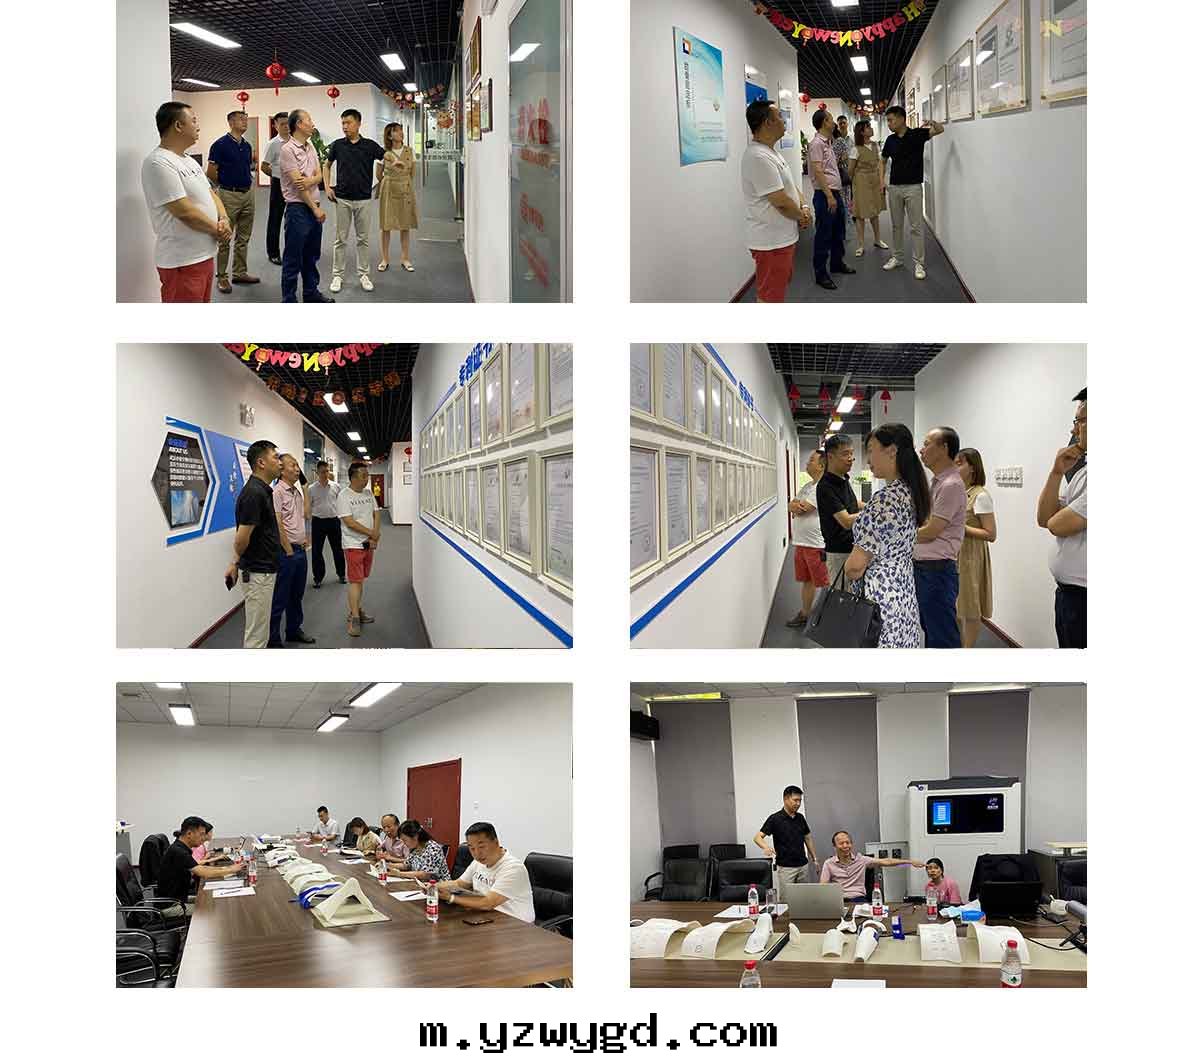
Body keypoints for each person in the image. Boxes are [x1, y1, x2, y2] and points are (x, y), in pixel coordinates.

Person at [844, 423, 929, 648]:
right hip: (903, 592)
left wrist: (848, 568)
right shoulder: (910, 493)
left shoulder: (884, 500)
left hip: (878, 600)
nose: (868, 459)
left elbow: (855, 567)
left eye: (871, 450)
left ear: (892, 451)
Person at [141, 101, 231, 302]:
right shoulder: (158, 162)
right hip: (182, 261)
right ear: (178, 126)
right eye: (194, 121)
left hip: (204, 254)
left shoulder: (189, 160)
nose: (198, 126)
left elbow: (211, 193)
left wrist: (224, 218)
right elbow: (184, 211)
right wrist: (219, 230)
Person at [740, 100, 811, 303]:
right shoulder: (758, 157)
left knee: (776, 290)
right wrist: (802, 216)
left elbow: (791, 186)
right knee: (770, 296)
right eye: (779, 116)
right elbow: (780, 201)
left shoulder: (771, 152)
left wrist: (804, 206)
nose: (784, 120)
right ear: (767, 123)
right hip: (771, 242)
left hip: (781, 238)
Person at [1038, 388, 1087, 648]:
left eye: (1080, 421)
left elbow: (1057, 525)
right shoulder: (1083, 472)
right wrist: (1056, 472)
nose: (1073, 430)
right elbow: (1044, 517)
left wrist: (1054, 520)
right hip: (1070, 596)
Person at [913, 426, 968, 648]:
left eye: (926, 444)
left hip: (937, 571)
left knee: (941, 635)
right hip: (928, 569)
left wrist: (900, 535)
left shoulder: (951, 485)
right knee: (932, 629)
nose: (921, 450)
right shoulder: (937, 482)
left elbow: (931, 531)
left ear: (944, 448)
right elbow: (924, 523)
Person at [225, 440, 282, 649]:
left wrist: (235, 562)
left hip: (263, 571)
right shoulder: (254, 493)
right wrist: (235, 562)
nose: (280, 462)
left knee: (260, 630)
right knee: (257, 636)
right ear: (261, 463)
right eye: (275, 457)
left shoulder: (262, 490)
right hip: (258, 573)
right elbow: (241, 538)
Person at [324, 109, 386, 293]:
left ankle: (364, 274)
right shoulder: (338, 145)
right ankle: (337, 275)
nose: (345, 126)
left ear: (358, 124)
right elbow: (326, 165)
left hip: (363, 199)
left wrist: (389, 171)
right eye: (343, 123)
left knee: (363, 239)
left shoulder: (370, 145)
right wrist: (327, 186)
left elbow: (386, 158)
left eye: (348, 123)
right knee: (340, 239)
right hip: (342, 198)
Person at [881, 105, 944, 280]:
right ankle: (897, 257)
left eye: (891, 120)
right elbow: (883, 160)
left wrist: (932, 122)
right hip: (895, 188)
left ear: (901, 119)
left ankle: (919, 263)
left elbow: (940, 129)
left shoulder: (917, 134)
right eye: (887, 121)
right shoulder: (890, 140)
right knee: (896, 225)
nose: (889, 124)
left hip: (913, 187)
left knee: (916, 227)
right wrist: (881, 180)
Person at [279, 109, 334, 303]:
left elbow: (318, 175)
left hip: (313, 206)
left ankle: (311, 293)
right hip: (298, 209)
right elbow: (298, 186)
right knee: (293, 258)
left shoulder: (310, 147)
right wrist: (315, 209)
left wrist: (310, 180)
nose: (312, 123)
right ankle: (289, 300)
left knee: (311, 255)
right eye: (309, 120)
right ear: (299, 124)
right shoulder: (287, 150)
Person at [435, 821, 535, 923]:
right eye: (472, 848)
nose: (477, 853)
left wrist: (451, 898)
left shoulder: (513, 868)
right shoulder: (478, 862)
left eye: (481, 847)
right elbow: (459, 883)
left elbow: (488, 903)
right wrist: (433, 886)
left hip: (517, 923)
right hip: (488, 916)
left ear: (496, 842)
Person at [206, 110, 260, 293]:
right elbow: (211, 173)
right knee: (225, 237)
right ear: (230, 122)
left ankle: (239, 273)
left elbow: (247, 168)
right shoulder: (220, 145)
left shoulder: (247, 146)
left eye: (246, 119)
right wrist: (225, 186)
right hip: (229, 195)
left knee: (243, 237)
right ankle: (222, 277)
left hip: (248, 194)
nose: (245, 122)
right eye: (240, 119)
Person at [268, 453, 316, 648]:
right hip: (286, 552)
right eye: (293, 465)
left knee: (297, 595)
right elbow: (277, 523)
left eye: (297, 466)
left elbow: (307, 515)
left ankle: (293, 630)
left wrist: (305, 489)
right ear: (281, 469)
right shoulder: (277, 492)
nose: (297, 469)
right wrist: (288, 549)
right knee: (280, 596)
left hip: (300, 550)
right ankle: (273, 638)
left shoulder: (296, 491)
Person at [157, 816, 244, 917]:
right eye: (201, 834)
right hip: (171, 905)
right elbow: (203, 872)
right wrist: (231, 870)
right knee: (213, 909)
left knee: (213, 900)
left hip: (179, 898)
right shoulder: (178, 852)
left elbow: (201, 867)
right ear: (189, 834)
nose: (203, 838)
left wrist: (226, 868)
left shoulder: (181, 848)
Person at [954, 447, 997, 648]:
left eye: (960, 463)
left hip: (971, 556)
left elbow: (991, 534)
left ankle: (968, 650)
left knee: (971, 608)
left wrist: (961, 527)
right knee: (956, 606)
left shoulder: (981, 496)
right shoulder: (960, 493)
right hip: (955, 554)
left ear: (972, 468)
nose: (955, 468)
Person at [808, 108, 854, 290]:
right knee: (823, 234)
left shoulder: (828, 142)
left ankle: (836, 263)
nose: (834, 122)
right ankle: (820, 274)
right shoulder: (816, 144)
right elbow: (818, 171)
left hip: (834, 194)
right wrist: (829, 196)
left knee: (838, 231)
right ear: (823, 122)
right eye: (830, 119)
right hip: (825, 195)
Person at [786, 448, 830, 627]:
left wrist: (796, 507)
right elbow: (792, 505)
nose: (807, 462)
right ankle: (805, 614)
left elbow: (804, 509)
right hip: (801, 543)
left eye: (811, 460)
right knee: (807, 580)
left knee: (825, 582)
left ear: (821, 466)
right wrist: (795, 506)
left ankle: (828, 617)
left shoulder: (823, 487)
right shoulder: (808, 486)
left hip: (816, 544)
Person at [337, 461, 381, 637]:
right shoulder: (344, 496)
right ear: (353, 477)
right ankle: (354, 618)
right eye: (364, 475)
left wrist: (374, 536)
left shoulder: (368, 493)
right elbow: (349, 522)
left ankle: (356, 609)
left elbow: (376, 513)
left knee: (361, 579)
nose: (367, 478)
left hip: (368, 544)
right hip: (353, 545)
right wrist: (371, 533)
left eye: (367, 475)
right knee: (355, 581)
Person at [819, 830, 925, 902]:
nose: (845, 846)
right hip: (839, 901)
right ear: (834, 846)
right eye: (841, 843)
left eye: (848, 842)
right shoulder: (829, 863)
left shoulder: (861, 860)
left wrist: (910, 862)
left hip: (859, 899)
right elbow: (823, 887)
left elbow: (887, 861)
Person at [815, 433, 860, 589]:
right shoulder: (825, 486)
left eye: (851, 454)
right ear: (830, 457)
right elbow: (846, 521)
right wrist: (874, 512)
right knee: (842, 598)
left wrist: (873, 504)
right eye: (845, 454)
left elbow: (852, 503)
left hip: (853, 548)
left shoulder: (843, 479)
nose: (850, 458)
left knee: (854, 595)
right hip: (839, 553)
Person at [753, 786, 819, 887]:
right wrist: (765, 847)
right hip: (786, 868)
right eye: (795, 800)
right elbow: (757, 837)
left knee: (804, 895)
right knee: (786, 896)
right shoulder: (775, 819)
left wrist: (814, 859)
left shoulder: (800, 818)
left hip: (803, 866)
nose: (798, 804)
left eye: (800, 800)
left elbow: (807, 838)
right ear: (785, 799)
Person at [377, 122, 420, 273]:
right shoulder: (383, 153)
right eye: (396, 131)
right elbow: (378, 174)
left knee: (405, 225)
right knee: (386, 226)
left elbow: (412, 173)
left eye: (401, 130)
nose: (401, 133)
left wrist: (402, 180)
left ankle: (405, 258)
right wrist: (390, 180)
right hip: (388, 189)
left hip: (405, 190)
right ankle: (385, 259)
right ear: (389, 136)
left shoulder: (409, 151)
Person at [848, 119, 888, 258]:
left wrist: (882, 180)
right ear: (861, 132)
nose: (871, 129)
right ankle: (860, 245)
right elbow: (850, 170)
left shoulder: (875, 145)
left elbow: (880, 163)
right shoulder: (856, 149)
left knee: (874, 211)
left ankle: (877, 240)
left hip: (875, 180)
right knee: (860, 214)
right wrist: (855, 183)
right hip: (861, 182)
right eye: (868, 127)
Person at [309, 460, 346, 588]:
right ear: (317, 472)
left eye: (326, 471)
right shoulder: (311, 489)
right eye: (322, 472)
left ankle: (341, 574)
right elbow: (309, 505)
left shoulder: (336, 486)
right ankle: (318, 578)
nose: (325, 474)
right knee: (316, 552)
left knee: (338, 550)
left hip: (333, 521)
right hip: (318, 522)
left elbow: (341, 503)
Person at [260, 111, 290, 265]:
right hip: (279, 185)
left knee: (294, 218)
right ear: (275, 126)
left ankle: (294, 250)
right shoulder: (273, 144)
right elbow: (264, 167)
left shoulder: (296, 141)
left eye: (288, 123)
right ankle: (273, 253)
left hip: (295, 185)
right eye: (282, 124)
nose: (286, 126)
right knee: (275, 219)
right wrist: (278, 175)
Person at [832, 114, 853, 223]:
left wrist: (837, 160)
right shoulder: (833, 140)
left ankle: (848, 216)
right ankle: (845, 216)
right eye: (840, 123)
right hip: (837, 172)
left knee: (847, 195)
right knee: (842, 195)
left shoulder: (848, 139)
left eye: (844, 123)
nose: (842, 125)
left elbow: (848, 156)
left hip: (847, 171)